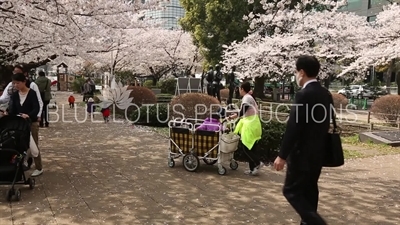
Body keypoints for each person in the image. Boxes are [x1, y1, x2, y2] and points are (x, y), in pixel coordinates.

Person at [273, 55, 331, 225]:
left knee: (291, 191)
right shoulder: (325, 94)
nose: (296, 75)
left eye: (296, 71)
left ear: (302, 72)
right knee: (310, 191)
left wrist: (282, 155)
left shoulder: (304, 94)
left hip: (301, 154)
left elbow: (294, 127)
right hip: (318, 153)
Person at [0, 65, 44, 177]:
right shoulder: (14, 95)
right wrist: (7, 113)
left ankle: (39, 167)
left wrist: (29, 115)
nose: (15, 85)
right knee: (18, 144)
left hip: (31, 122)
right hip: (18, 123)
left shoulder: (32, 92)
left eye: (18, 83)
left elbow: (36, 107)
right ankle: (18, 164)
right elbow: (12, 109)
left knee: (33, 144)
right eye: (14, 83)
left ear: (24, 82)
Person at [228, 82, 262, 175]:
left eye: (239, 88)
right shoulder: (249, 97)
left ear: (242, 89)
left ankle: (257, 163)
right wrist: (234, 115)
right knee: (252, 147)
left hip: (250, 124)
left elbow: (242, 112)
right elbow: (243, 112)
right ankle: (252, 169)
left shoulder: (247, 98)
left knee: (246, 147)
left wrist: (232, 116)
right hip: (254, 123)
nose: (239, 90)